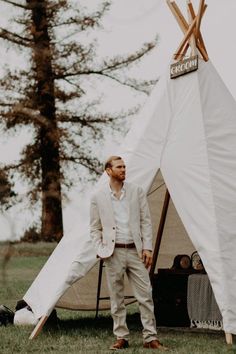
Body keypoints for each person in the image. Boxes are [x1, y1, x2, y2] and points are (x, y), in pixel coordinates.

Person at [90, 156, 167, 350]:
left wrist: (148, 248)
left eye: (124, 166)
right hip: (113, 253)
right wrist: (100, 248)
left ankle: (150, 338)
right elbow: (94, 228)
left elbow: (146, 221)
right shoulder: (98, 196)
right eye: (119, 167)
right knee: (117, 298)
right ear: (108, 171)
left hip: (136, 251)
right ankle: (121, 337)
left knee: (145, 295)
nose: (124, 169)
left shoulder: (137, 191)